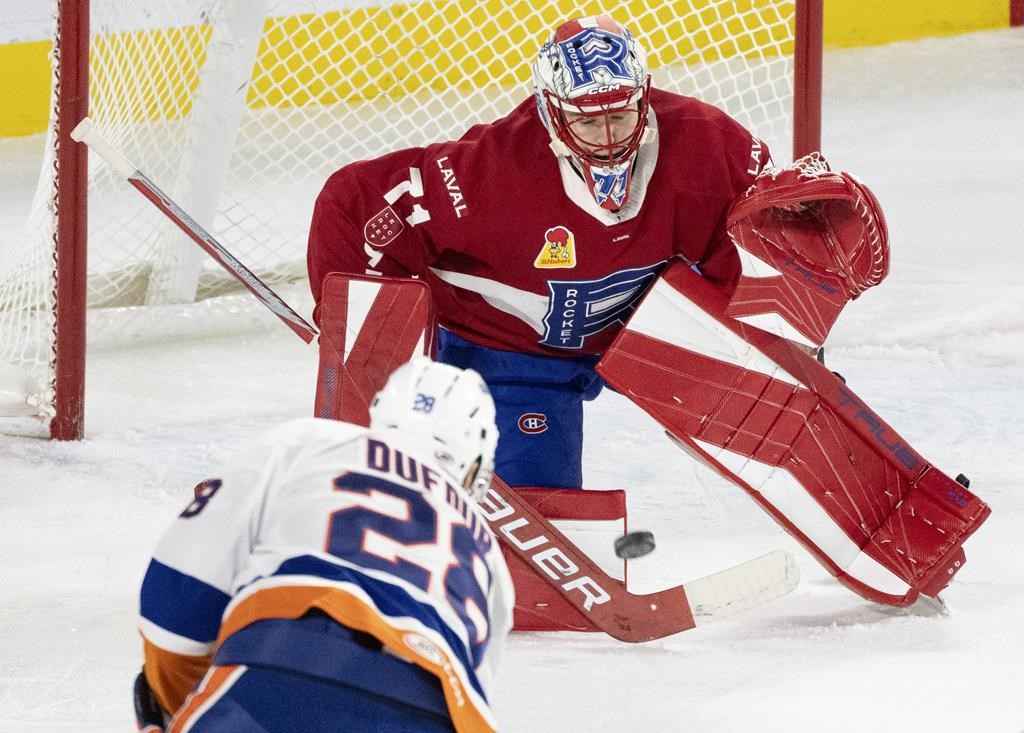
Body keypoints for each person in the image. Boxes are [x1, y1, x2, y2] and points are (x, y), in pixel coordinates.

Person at [307, 14, 769, 489]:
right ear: (551, 111)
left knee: (785, 414)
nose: (609, 139)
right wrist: (354, 328)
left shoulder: (709, 143)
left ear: (644, 96)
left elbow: (761, 234)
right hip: (513, 356)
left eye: (619, 115)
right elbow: (354, 200)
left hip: (652, 328)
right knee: (537, 505)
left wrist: (782, 334)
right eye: (588, 121)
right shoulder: (485, 174)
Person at [134, 358, 513, 733]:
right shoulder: (491, 557)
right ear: (473, 463)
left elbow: (181, 587)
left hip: (284, 670)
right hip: (440, 711)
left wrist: (176, 703)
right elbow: (475, 698)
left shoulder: (309, 441)